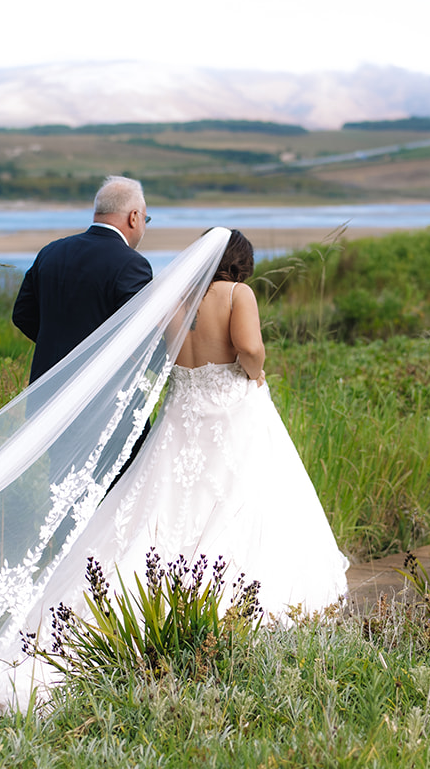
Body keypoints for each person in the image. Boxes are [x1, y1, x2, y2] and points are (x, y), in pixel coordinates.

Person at [42, 229, 347, 621]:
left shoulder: (173, 300)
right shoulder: (238, 294)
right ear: (239, 263)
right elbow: (249, 347)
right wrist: (256, 374)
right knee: (242, 493)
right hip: (231, 405)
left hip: (180, 408)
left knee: (164, 497)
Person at [12, 175, 154, 383]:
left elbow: (22, 314)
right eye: (145, 219)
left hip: (46, 385)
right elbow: (137, 336)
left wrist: (62, 350)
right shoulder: (133, 265)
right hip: (101, 393)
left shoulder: (51, 251)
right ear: (133, 217)